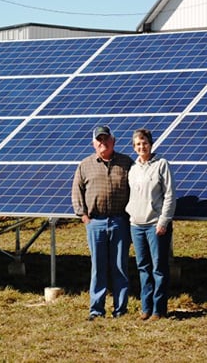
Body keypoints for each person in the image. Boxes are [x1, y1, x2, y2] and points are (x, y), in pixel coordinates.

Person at [72, 125, 134, 320]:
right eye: (99, 140)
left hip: (119, 221)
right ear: (93, 143)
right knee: (98, 268)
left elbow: (136, 189)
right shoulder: (85, 165)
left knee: (120, 266)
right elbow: (77, 192)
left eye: (106, 139)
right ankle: (96, 310)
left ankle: (120, 309)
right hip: (95, 222)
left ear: (113, 141)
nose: (103, 143)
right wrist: (84, 217)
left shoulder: (126, 163)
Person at [126, 128, 176, 321]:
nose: (141, 147)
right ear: (134, 147)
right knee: (143, 267)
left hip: (156, 225)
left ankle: (159, 310)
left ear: (151, 144)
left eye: (144, 143)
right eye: (138, 144)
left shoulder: (162, 165)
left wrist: (164, 221)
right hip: (136, 225)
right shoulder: (133, 168)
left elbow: (170, 195)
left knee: (158, 268)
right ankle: (145, 308)